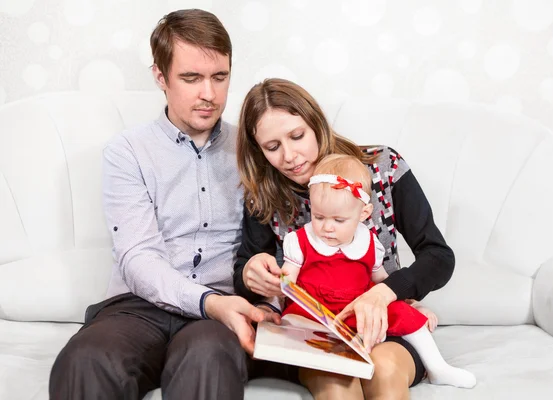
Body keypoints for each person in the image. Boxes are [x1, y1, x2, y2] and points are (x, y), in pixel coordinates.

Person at [49, 9, 280, 400]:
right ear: (161, 77)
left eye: (219, 77)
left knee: (208, 357)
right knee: (85, 359)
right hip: (137, 307)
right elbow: (137, 257)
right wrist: (207, 302)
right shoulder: (127, 152)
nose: (209, 94)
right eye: (191, 78)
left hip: (222, 312)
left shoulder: (254, 148)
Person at [233, 78, 458, 399]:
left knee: (385, 371)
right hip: (315, 329)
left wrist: (384, 293)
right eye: (273, 147)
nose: (290, 156)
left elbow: (439, 257)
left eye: (297, 136)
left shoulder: (382, 168)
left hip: (383, 324)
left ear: (316, 124)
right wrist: (250, 273)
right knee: (337, 381)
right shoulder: (265, 195)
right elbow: (243, 273)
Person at [280, 154, 476, 389]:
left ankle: (437, 367)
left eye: (339, 220)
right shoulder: (301, 240)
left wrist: (410, 305)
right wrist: (278, 286)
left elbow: (383, 281)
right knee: (293, 322)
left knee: (403, 315)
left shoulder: (370, 244)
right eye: (319, 216)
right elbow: (286, 280)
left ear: (363, 214)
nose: (327, 227)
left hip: (360, 306)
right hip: (316, 308)